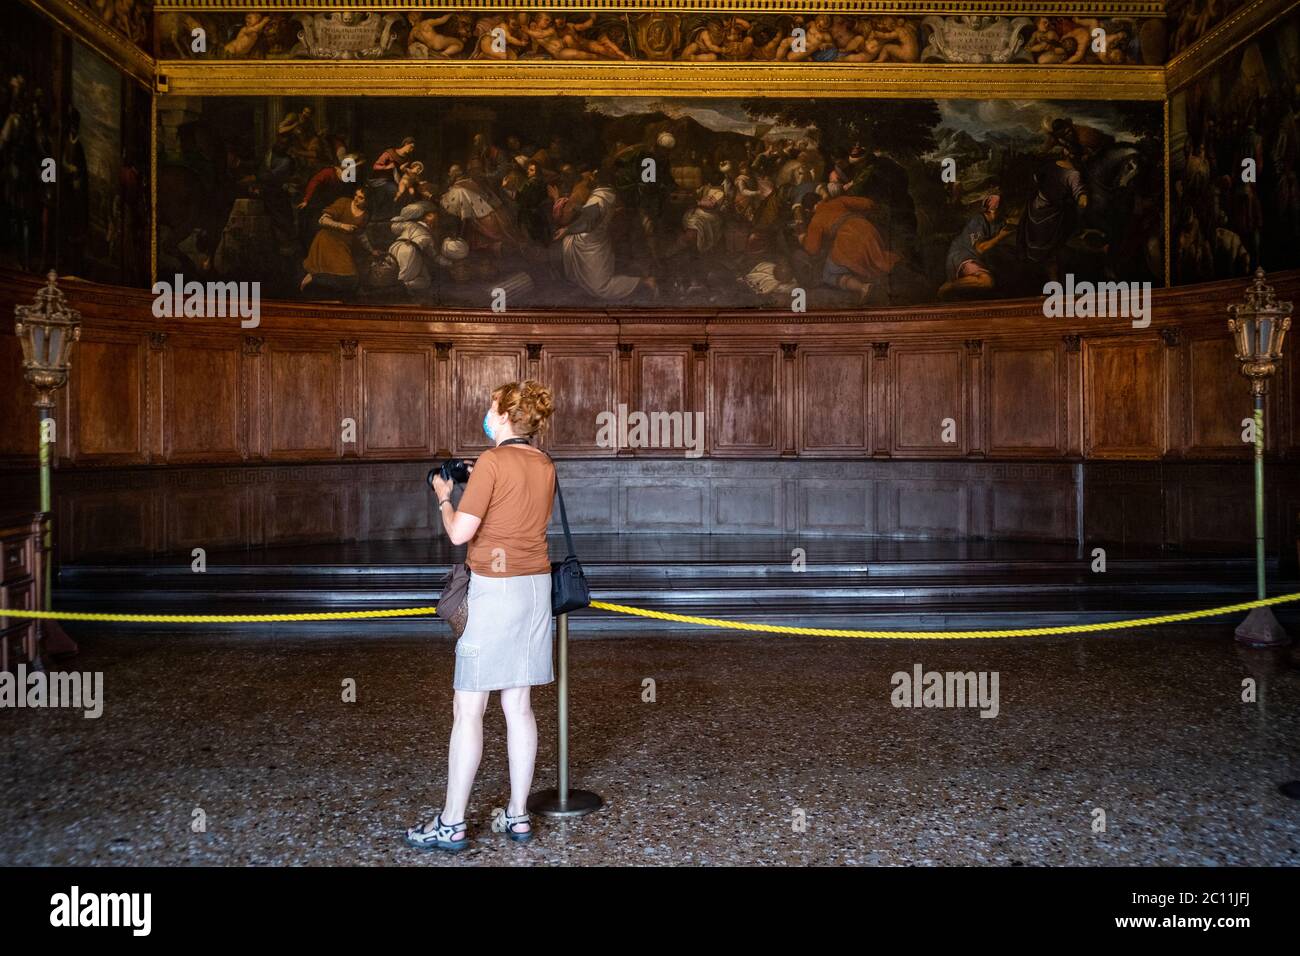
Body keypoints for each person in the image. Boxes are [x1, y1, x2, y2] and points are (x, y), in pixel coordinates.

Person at [408, 381, 558, 852]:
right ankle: (517, 815)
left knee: (468, 708)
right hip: (536, 587)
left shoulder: (493, 462)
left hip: (495, 591)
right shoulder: (544, 463)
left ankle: (451, 823)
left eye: (492, 408)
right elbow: (517, 513)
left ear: (507, 415)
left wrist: (444, 495)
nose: (486, 414)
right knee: (519, 706)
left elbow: (459, 533)